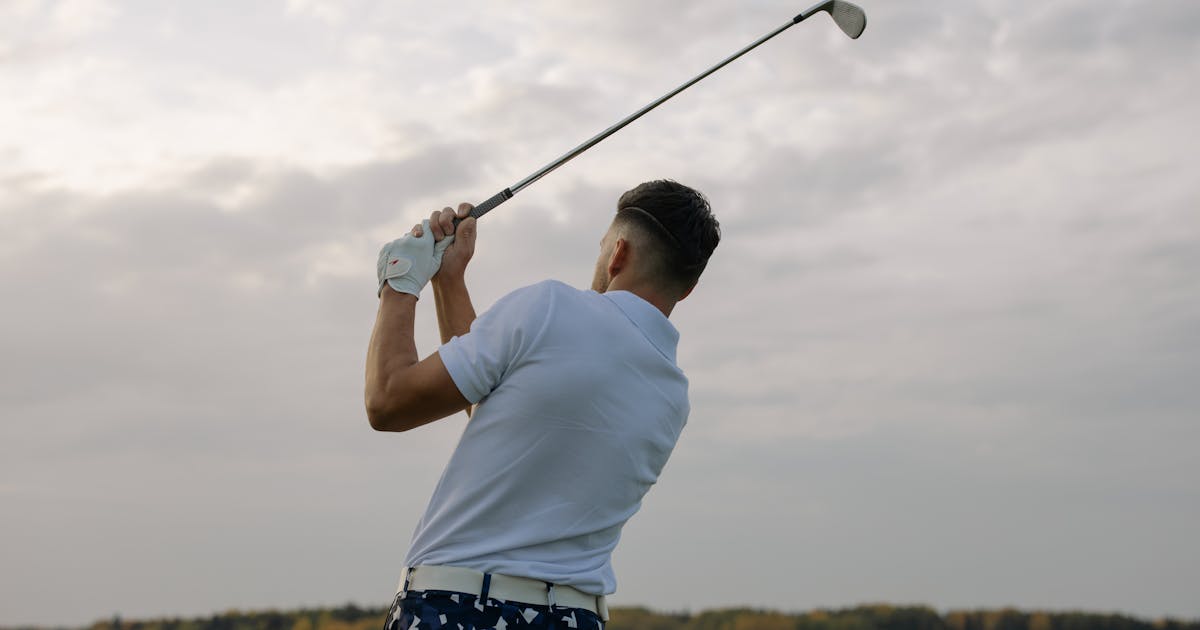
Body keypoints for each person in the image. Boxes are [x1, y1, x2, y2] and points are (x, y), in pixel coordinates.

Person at [364, 180, 720, 630]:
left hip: (458, 606)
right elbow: (498, 411)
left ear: (618, 253)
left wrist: (400, 278)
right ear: (685, 290)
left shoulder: (549, 306)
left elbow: (388, 401)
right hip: (575, 617)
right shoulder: (673, 395)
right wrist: (449, 282)